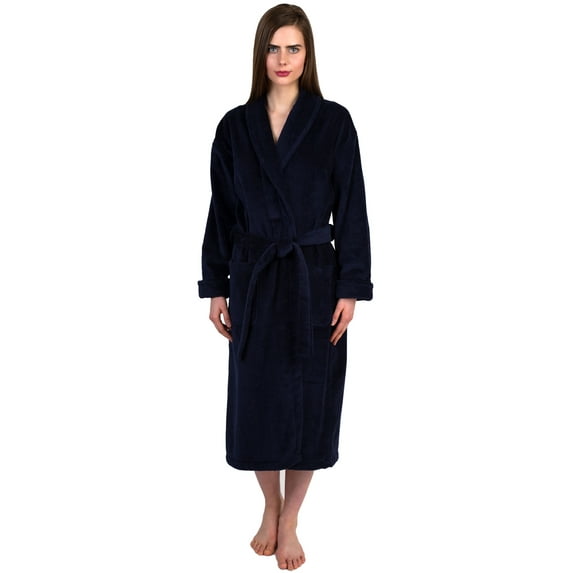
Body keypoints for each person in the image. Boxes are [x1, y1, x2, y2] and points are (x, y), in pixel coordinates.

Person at [198, 4, 373, 570]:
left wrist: (350, 287)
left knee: (310, 400)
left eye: (294, 48)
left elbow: (352, 209)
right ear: (261, 53)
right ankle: (268, 504)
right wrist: (216, 286)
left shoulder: (334, 122)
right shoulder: (235, 126)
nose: (283, 59)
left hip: (313, 278)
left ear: (308, 54)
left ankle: (291, 515)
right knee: (257, 399)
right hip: (254, 276)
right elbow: (221, 213)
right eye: (274, 48)